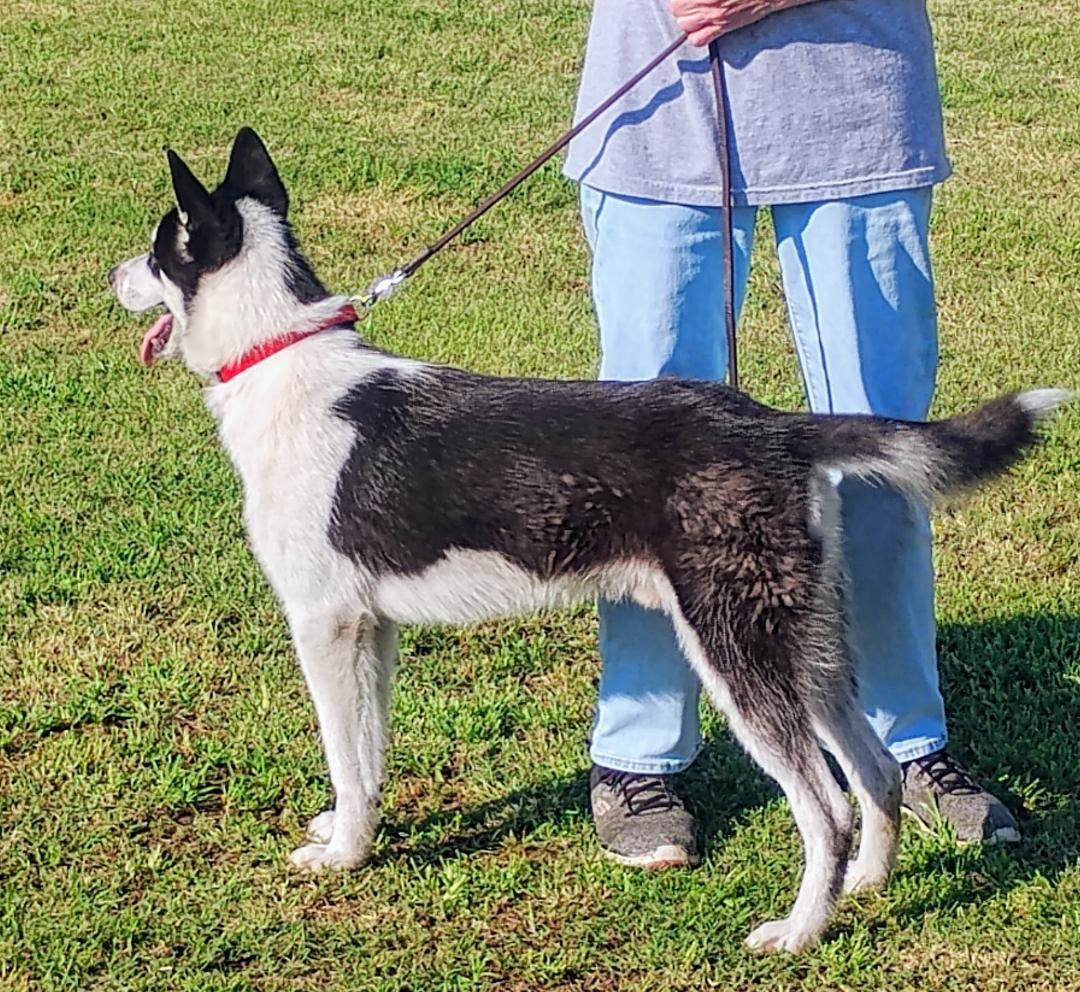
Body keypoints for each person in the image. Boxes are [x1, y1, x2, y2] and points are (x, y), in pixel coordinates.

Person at [564, 0, 1021, 868]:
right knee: (642, 470)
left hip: (857, 111)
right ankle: (638, 753)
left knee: (878, 452)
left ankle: (903, 743)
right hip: (656, 116)